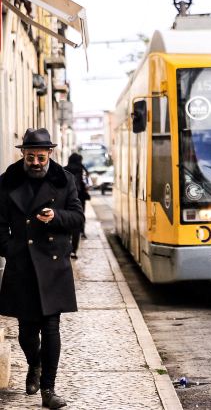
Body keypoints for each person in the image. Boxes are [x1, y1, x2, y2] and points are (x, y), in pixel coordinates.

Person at [0, 128, 85, 409]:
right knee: (26, 332)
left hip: (52, 265)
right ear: (23, 153)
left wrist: (56, 217)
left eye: (40, 156)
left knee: (51, 328)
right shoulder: (8, 181)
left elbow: (77, 217)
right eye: (30, 156)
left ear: (50, 153)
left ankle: (48, 390)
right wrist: (11, 248)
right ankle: (34, 364)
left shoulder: (64, 180)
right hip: (22, 264)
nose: (35, 162)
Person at [64, 153, 90, 259]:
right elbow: (87, 184)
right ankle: (74, 250)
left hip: (66, 199)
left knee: (66, 223)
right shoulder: (82, 170)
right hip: (80, 199)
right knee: (77, 223)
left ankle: (66, 247)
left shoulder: (64, 169)